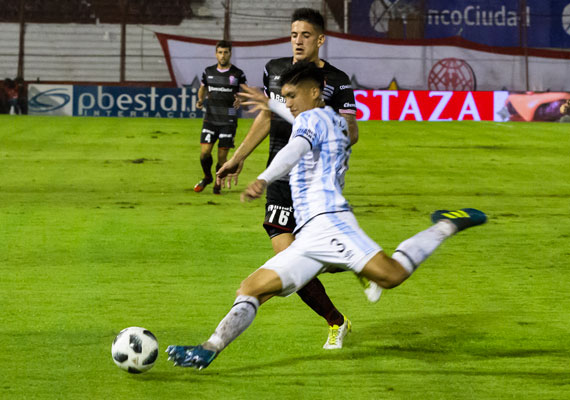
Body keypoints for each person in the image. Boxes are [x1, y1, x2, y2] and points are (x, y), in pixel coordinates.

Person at [166, 61, 487, 370]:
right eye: (285, 97)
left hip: (330, 222)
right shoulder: (331, 119)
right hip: (309, 236)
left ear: (315, 93)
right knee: (251, 288)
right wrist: (271, 103)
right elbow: (305, 123)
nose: (288, 103)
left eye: (292, 96)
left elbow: (293, 149)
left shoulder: (310, 121)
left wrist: (264, 177)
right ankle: (207, 350)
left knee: (391, 276)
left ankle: (446, 225)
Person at [216, 8, 380, 350]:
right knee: (286, 256)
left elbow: (352, 132)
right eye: (293, 35)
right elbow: (265, 117)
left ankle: (358, 262)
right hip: (279, 178)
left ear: (320, 39)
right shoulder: (276, 71)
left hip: (315, 183)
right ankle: (337, 320)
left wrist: (320, 135)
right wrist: (238, 157)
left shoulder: (336, 80)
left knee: (301, 259)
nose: (298, 41)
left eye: (305, 35)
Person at [193, 40, 247, 195]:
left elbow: (245, 92)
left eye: (226, 52)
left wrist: (241, 100)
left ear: (230, 54)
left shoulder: (238, 73)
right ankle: (207, 176)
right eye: (220, 52)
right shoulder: (208, 71)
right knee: (204, 153)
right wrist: (200, 100)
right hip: (210, 118)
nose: (223, 56)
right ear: (216, 54)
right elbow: (202, 88)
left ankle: (217, 181)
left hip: (228, 120)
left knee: (222, 157)